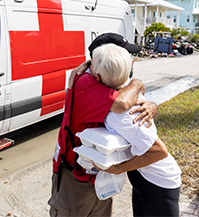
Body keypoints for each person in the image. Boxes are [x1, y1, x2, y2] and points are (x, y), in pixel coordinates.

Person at [48, 33, 159, 217]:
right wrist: (138, 83)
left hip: (99, 173)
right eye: (124, 55)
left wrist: (152, 106)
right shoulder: (86, 82)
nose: (129, 62)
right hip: (76, 176)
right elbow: (123, 103)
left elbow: (134, 101)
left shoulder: (109, 80)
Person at [91, 43, 181, 217]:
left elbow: (159, 152)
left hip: (160, 182)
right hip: (144, 178)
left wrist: (119, 168)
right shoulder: (128, 91)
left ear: (97, 76)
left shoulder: (119, 114)